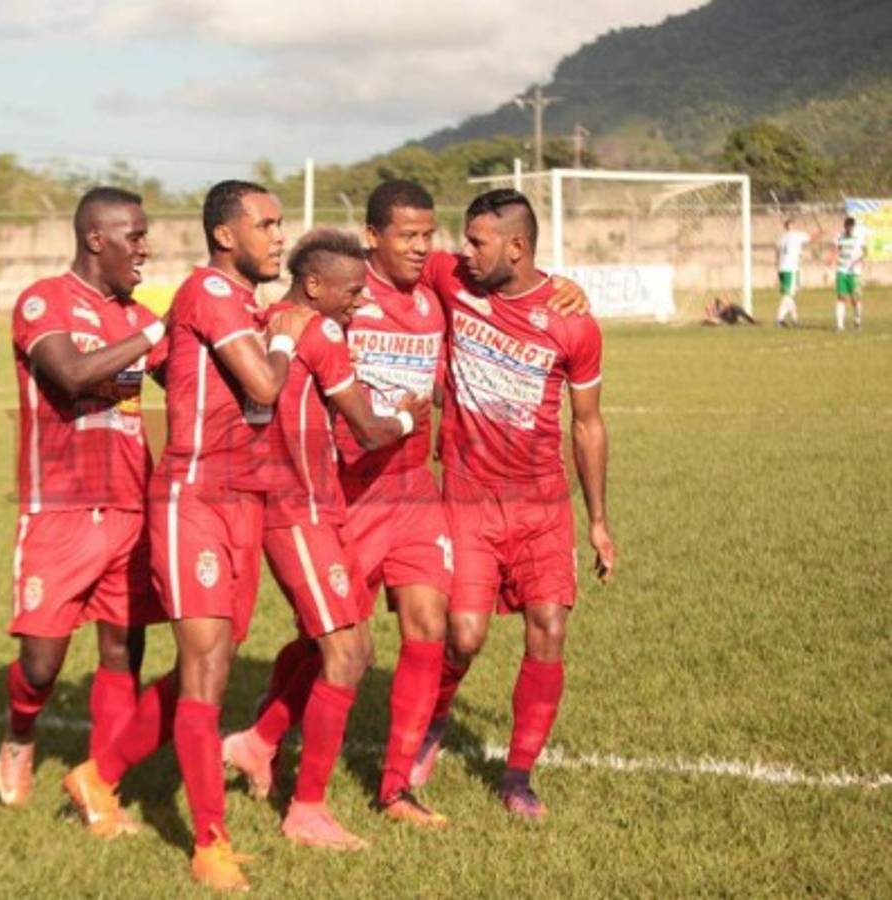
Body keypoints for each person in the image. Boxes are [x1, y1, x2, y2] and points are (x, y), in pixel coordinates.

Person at [59, 180, 310, 892]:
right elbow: (263, 387)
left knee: (212, 662)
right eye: (265, 225)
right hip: (192, 501)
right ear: (225, 236)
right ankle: (209, 843)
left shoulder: (246, 306)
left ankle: (98, 775)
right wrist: (285, 344)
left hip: (244, 502)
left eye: (279, 223)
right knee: (204, 665)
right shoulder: (207, 292)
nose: (278, 236)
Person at [221, 228, 433, 851]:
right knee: (344, 654)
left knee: (354, 648)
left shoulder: (267, 320)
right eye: (351, 291)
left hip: (316, 508)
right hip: (298, 514)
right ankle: (306, 809)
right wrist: (409, 418)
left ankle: (256, 744)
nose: (359, 303)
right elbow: (367, 429)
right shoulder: (321, 331)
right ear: (313, 285)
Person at [413, 188, 616, 820]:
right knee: (464, 636)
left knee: (549, 627)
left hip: (542, 507)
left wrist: (600, 522)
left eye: (478, 241)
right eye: (465, 240)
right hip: (469, 500)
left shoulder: (572, 321)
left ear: (518, 247)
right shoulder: (451, 276)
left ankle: (520, 776)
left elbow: (587, 425)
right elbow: (386, 257)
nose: (463, 252)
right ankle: (433, 722)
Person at [0, 187, 169, 809]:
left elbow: (182, 373)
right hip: (61, 510)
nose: (145, 247)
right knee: (41, 665)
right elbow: (69, 376)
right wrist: (155, 330)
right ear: (97, 238)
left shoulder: (131, 314)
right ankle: (19, 732)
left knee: (124, 647)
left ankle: (102, 783)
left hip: (131, 504)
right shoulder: (46, 300)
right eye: (135, 235)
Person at [775, 216, 815, 327]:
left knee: (790, 295)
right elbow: (811, 239)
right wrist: (821, 233)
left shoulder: (781, 238)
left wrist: (777, 268)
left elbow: (777, 254)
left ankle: (794, 319)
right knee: (788, 295)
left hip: (782, 268)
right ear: (792, 225)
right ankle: (780, 319)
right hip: (791, 268)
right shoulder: (797, 235)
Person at [830, 216, 865, 331]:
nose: (849, 229)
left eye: (851, 227)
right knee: (841, 297)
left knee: (855, 299)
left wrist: (858, 260)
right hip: (842, 270)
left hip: (854, 272)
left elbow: (865, 252)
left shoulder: (858, 238)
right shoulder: (840, 236)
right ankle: (840, 326)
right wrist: (832, 258)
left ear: (853, 227)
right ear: (844, 226)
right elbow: (836, 249)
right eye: (847, 227)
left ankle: (857, 320)